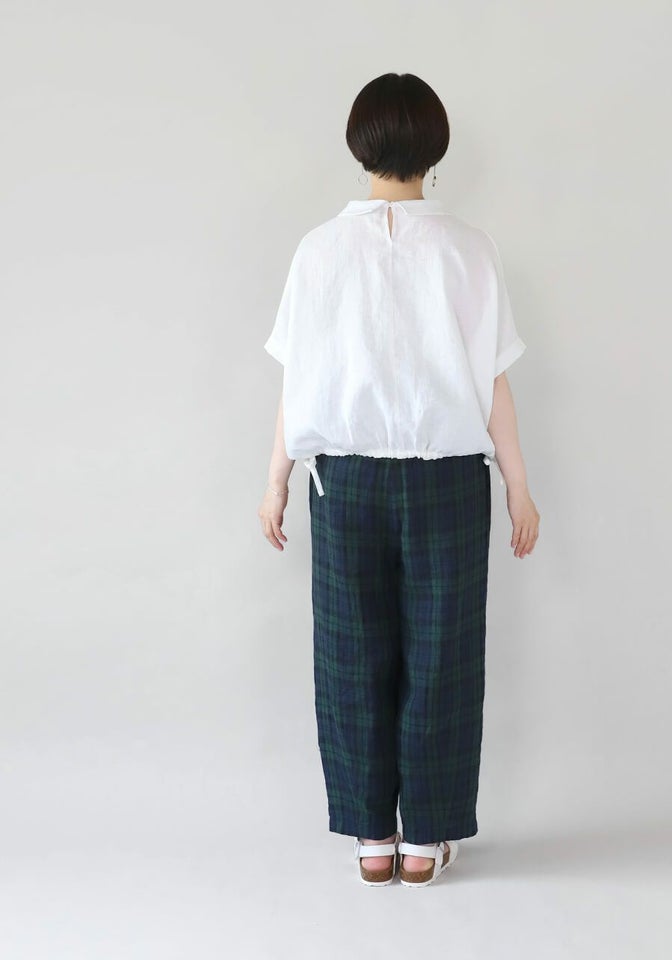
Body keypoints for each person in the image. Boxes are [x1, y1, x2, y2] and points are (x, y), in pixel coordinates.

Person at [257, 72, 540, 887]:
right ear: (435, 149)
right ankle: (427, 841)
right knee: (443, 656)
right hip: (447, 482)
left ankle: (372, 838)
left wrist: (276, 480)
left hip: (344, 485)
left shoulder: (318, 250)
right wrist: (518, 485)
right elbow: (493, 381)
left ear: (360, 145)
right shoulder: (468, 248)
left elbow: (299, 381)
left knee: (352, 656)